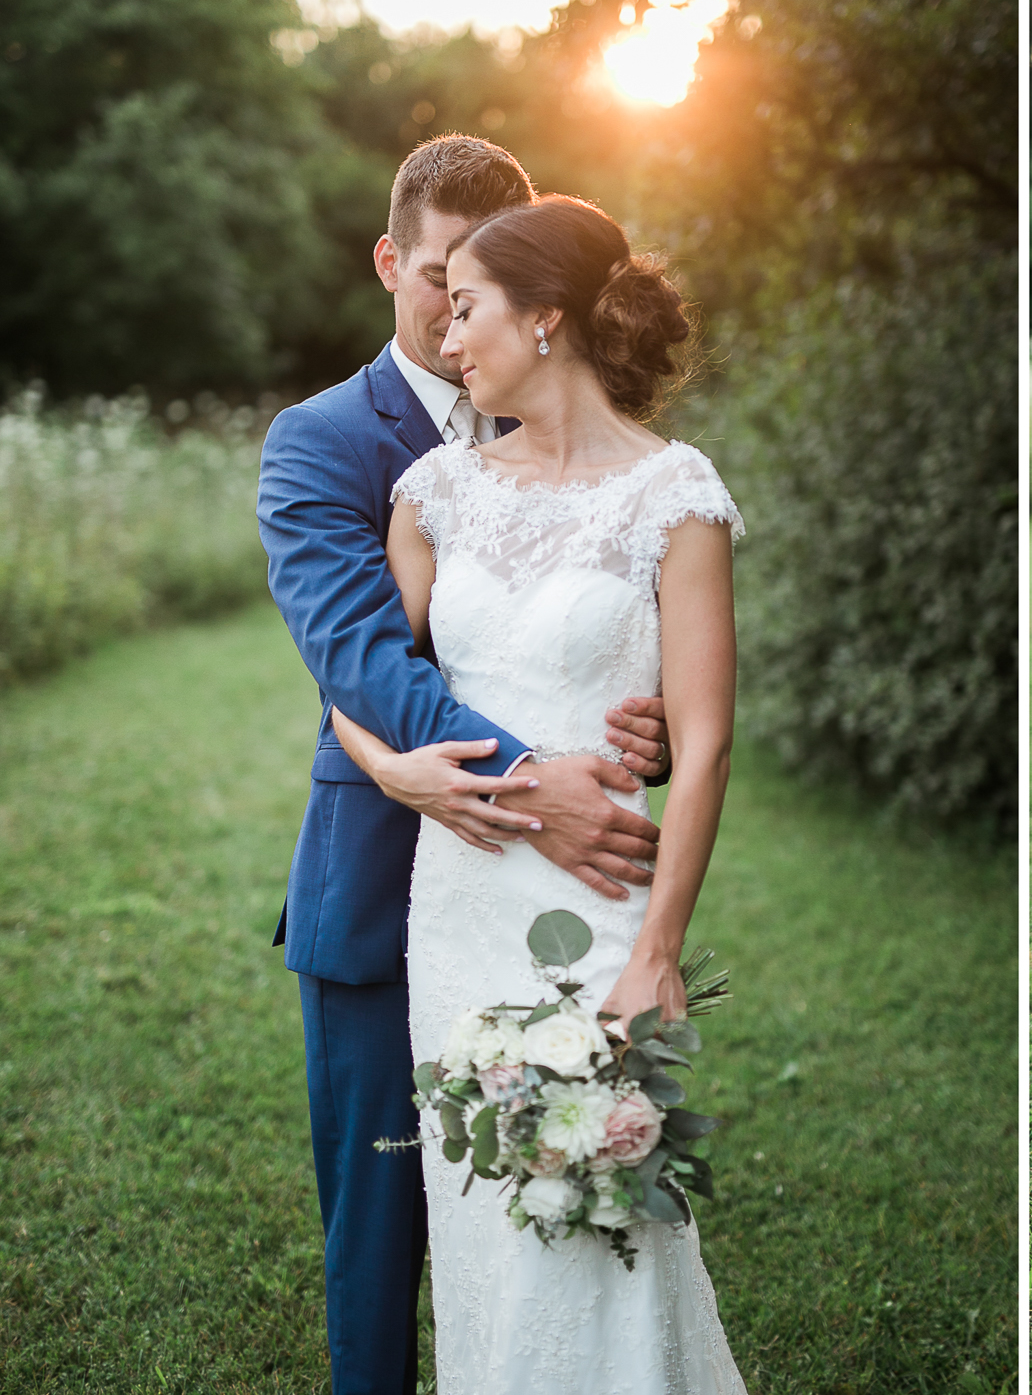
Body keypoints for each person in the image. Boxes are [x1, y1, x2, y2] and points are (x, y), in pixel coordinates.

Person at [258, 137, 678, 1395]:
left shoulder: (576, 427)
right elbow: (362, 661)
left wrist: (630, 718)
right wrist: (535, 776)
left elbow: (633, 623)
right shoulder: (320, 440)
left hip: (550, 906)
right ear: (392, 259)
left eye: (480, 286)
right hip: (388, 891)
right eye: (438, 274)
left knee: (555, 1216)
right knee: (382, 1236)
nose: (455, 312)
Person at [329, 193, 748, 1392]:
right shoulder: (437, 494)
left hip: (600, 899)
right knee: (482, 1220)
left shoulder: (677, 495)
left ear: (546, 320)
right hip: (457, 897)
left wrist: (658, 948)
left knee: (599, 1213)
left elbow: (705, 742)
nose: (448, 340)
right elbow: (358, 681)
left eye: (467, 311)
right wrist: (395, 769)